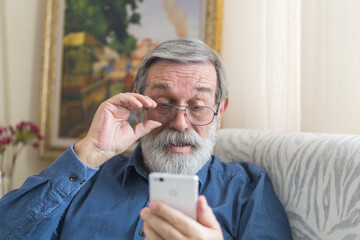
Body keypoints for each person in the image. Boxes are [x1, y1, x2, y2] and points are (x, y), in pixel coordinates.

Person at [0, 39, 292, 240]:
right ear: (138, 106)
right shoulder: (84, 178)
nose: (180, 123)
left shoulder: (248, 189)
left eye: (198, 106)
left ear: (220, 110)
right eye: (164, 103)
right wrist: (90, 151)